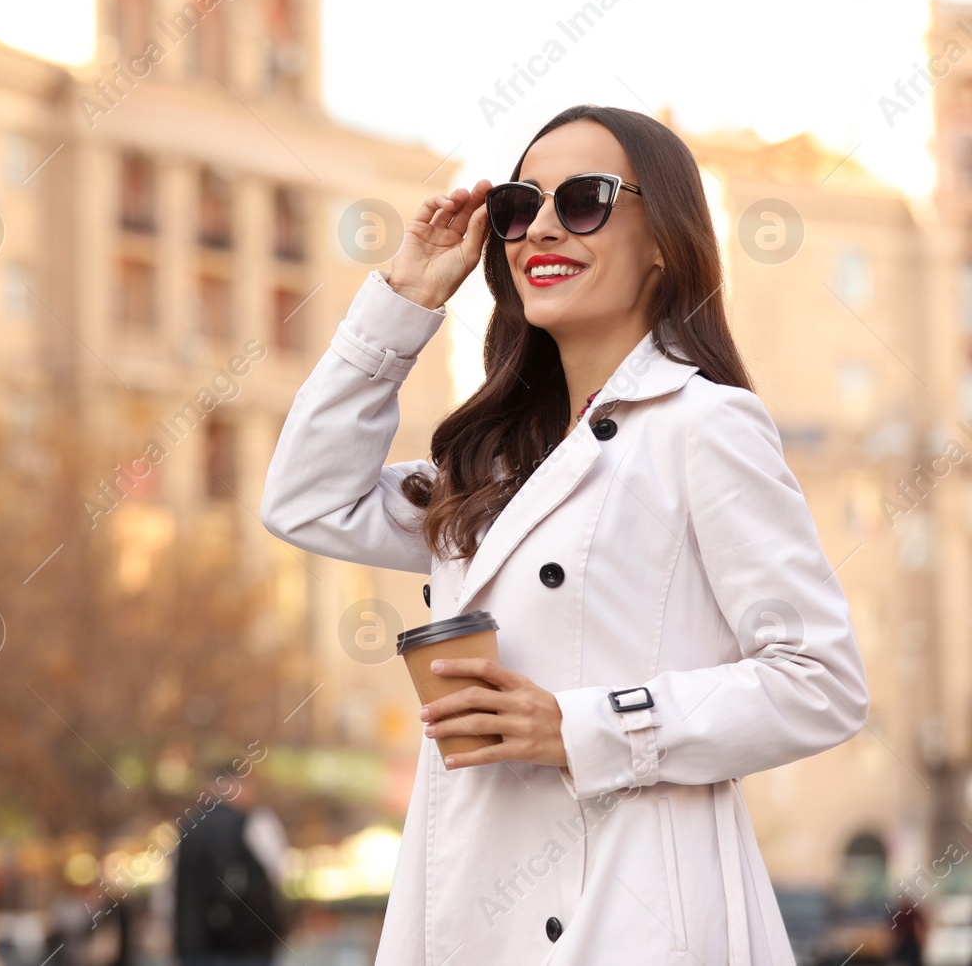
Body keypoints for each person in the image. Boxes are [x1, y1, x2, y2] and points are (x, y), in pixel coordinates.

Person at [259, 104, 870, 964]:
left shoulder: (705, 425)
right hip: (470, 902)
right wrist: (406, 300)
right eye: (518, 204)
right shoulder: (491, 464)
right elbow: (304, 498)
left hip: (633, 907)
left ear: (664, 237)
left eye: (583, 200)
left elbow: (821, 680)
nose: (540, 226)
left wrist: (586, 727)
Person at [171, 762, 288, 966]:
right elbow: (278, 874)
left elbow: (172, 889)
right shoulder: (256, 824)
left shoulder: (189, 827)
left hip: (197, 945)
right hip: (248, 945)